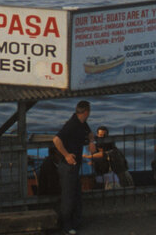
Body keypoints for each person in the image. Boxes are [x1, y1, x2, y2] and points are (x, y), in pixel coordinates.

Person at [52, 100, 94, 235]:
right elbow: (56, 139)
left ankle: (75, 222)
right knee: (68, 196)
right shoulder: (72, 124)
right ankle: (66, 225)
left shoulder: (82, 123)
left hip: (75, 166)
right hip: (68, 166)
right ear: (86, 112)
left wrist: (92, 141)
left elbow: (90, 133)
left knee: (76, 194)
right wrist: (66, 155)